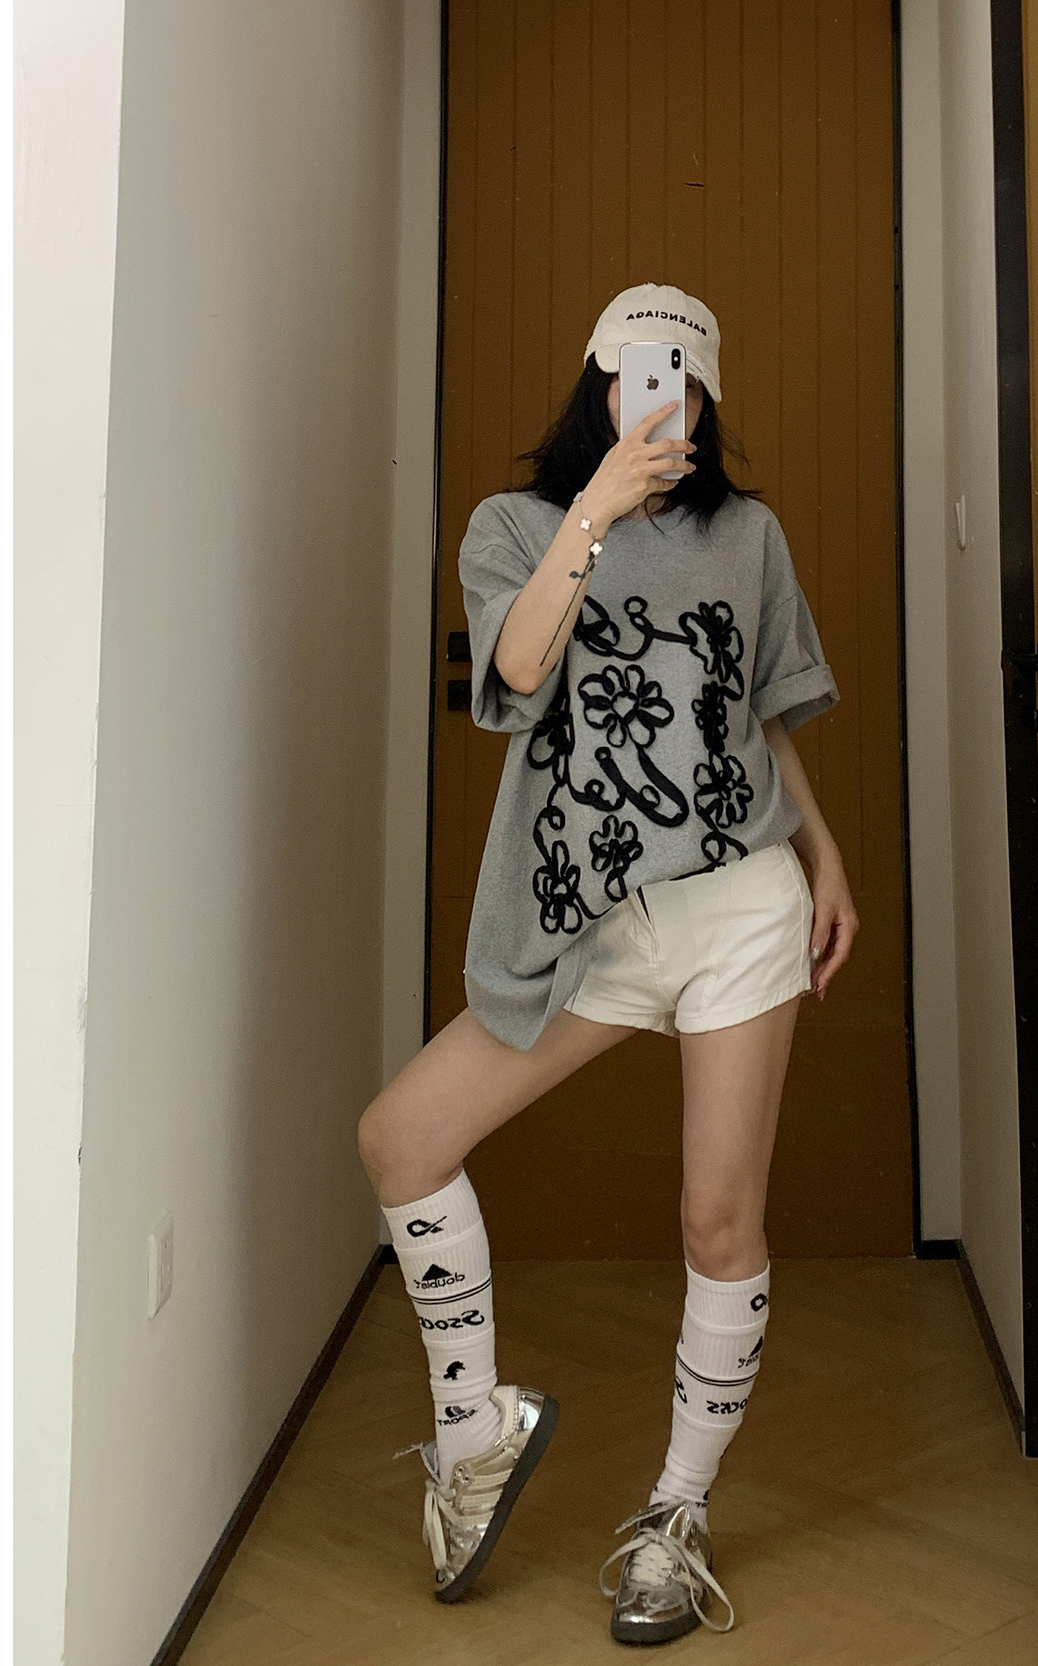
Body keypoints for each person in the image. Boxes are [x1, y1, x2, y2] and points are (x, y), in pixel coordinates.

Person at [356, 283, 858, 1645]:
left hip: (739, 907)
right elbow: (516, 677)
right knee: (403, 1137)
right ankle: (475, 1436)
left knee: (717, 1222)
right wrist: (593, 509)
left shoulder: (747, 536)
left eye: (687, 382)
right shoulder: (513, 526)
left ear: (707, 399)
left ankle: (674, 1518)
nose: (664, 400)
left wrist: (826, 859)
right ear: (600, 381)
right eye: (643, 374)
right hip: (584, 922)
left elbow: (757, 716)